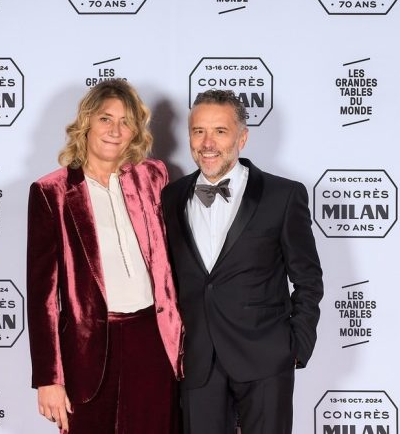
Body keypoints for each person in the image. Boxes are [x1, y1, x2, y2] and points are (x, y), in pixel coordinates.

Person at [161, 89, 324, 434]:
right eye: (198, 131)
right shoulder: (170, 197)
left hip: (266, 358)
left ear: (242, 138)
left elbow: (308, 278)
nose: (207, 143)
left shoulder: (283, 195)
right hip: (199, 362)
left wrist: (297, 346)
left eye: (220, 131)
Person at [26, 79, 183, 434]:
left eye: (126, 122)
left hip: (153, 341)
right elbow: (42, 298)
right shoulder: (52, 192)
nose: (115, 130)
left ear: (135, 131)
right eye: (105, 119)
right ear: (87, 122)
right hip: (88, 351)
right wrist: (49, 378)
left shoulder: (153, 177)